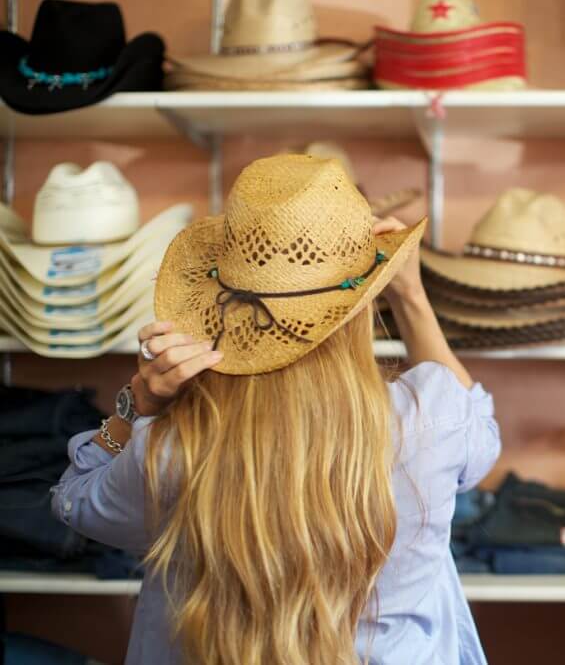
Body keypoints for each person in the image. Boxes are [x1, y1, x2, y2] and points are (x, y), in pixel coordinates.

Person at [50, 154, 501, 665]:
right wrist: (412, 295)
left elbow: (73, 503)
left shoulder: (172, 446)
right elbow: (481, 431)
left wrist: (136, 408)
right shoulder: (430, 418)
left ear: (222, 299)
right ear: (358, 306)